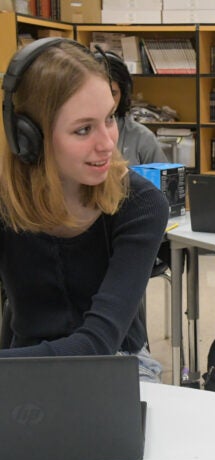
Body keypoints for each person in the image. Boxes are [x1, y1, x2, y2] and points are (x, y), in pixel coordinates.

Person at [0, 38, 169, 382]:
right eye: (83, 129)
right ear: (27, 137)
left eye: (109, 118)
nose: (108, 143)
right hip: (19, 361)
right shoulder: (6, 201)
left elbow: (97, 343)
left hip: (117, 361)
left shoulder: (141, 205)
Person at [93, 48, 168, 166]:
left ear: (123, 95)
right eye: (98, 93)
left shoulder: (142, 138)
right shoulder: (72, 134)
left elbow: (167, 183)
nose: (106, 102)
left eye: (113, 93)